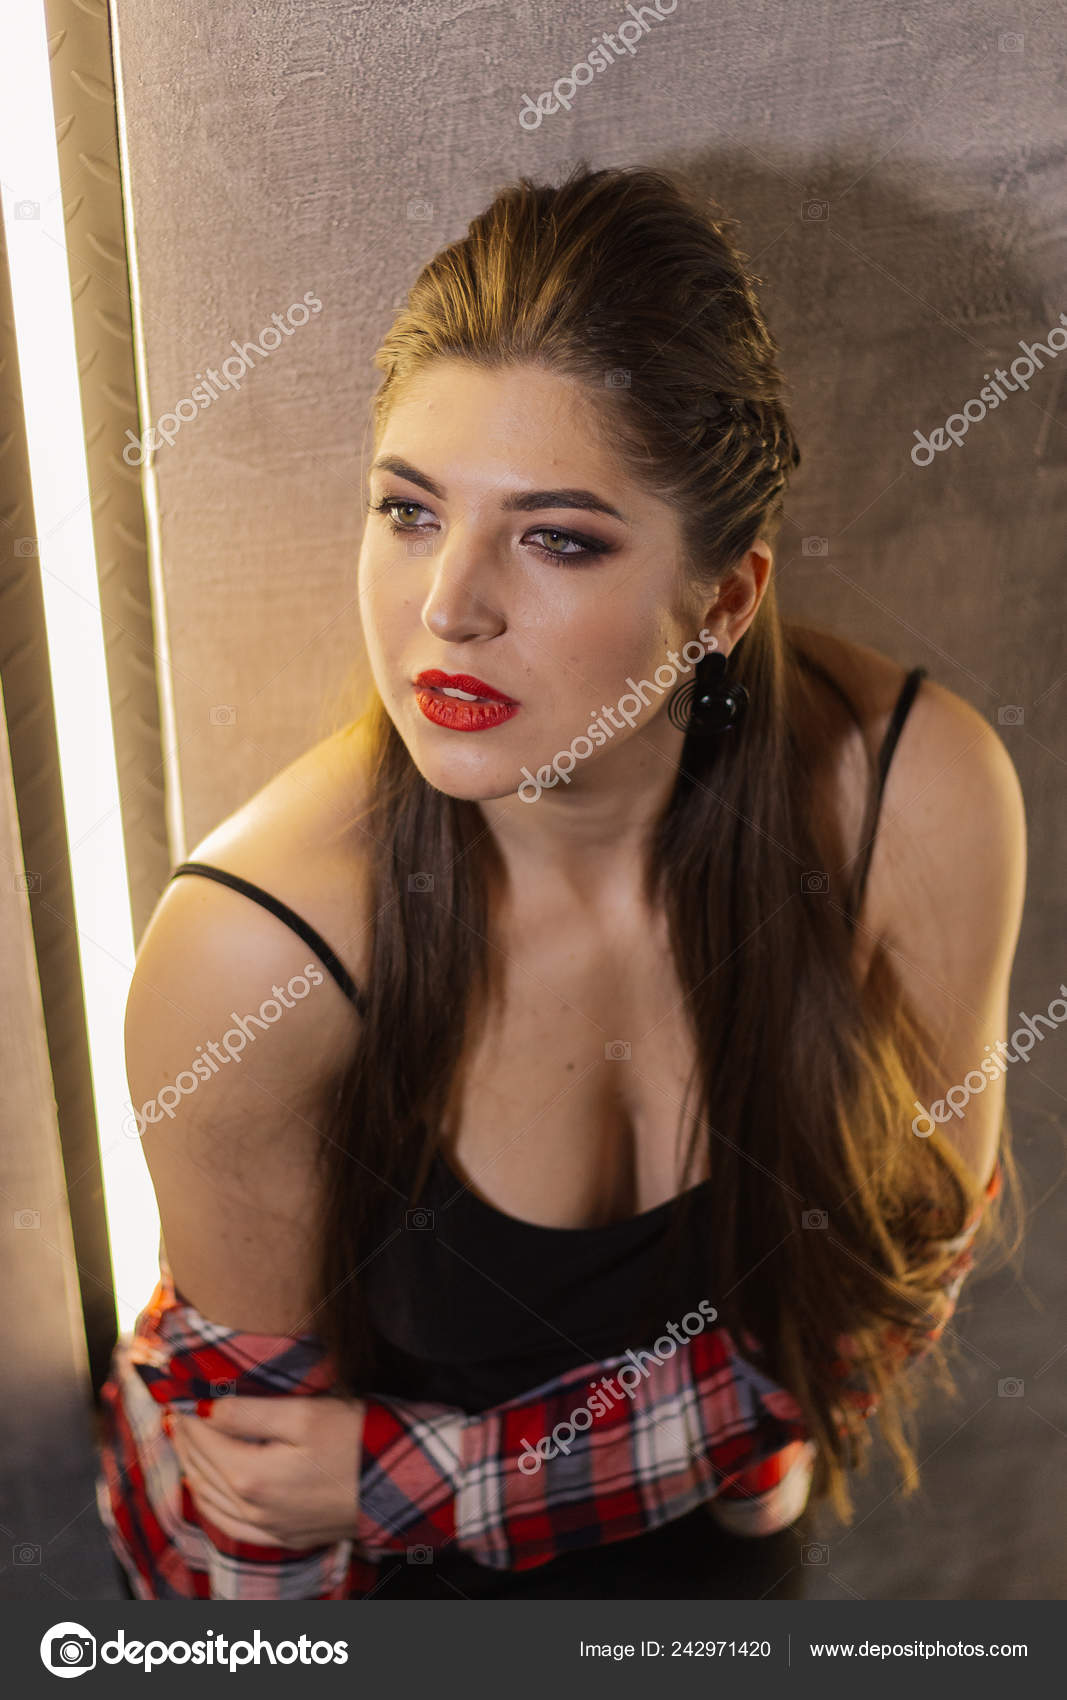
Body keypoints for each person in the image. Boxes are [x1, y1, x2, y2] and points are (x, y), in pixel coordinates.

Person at [96, 163, 1025, 1601]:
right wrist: (714, 1420)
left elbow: (890, 1302)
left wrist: (446, 1471)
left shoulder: (916, 796)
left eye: (558, 537)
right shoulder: (254, 957)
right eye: (408, 511)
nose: (451, 606)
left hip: (724, 1574)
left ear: (724, 600)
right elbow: (255, 1532)